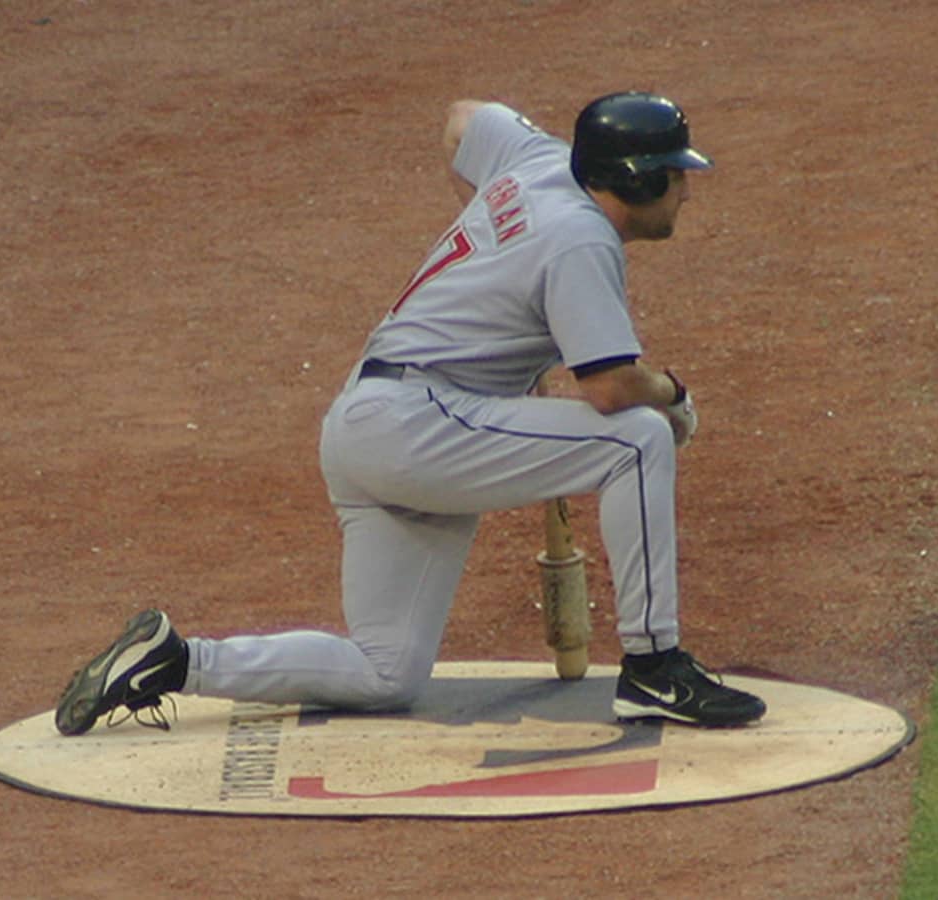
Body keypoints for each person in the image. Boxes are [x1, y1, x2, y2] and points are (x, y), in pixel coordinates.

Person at [54, 91, 767, 737]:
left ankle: (173, 660)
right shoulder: (580, 238)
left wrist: (500, 249)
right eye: (675, 175)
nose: (686, 190)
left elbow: (461, 119)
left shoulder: (535, 158)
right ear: (636, 178)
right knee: (639, 438)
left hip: (370, 426)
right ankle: (655, 668)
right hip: (419, 422)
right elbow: (612, 391)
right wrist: (674, 396)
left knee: (384, 672)